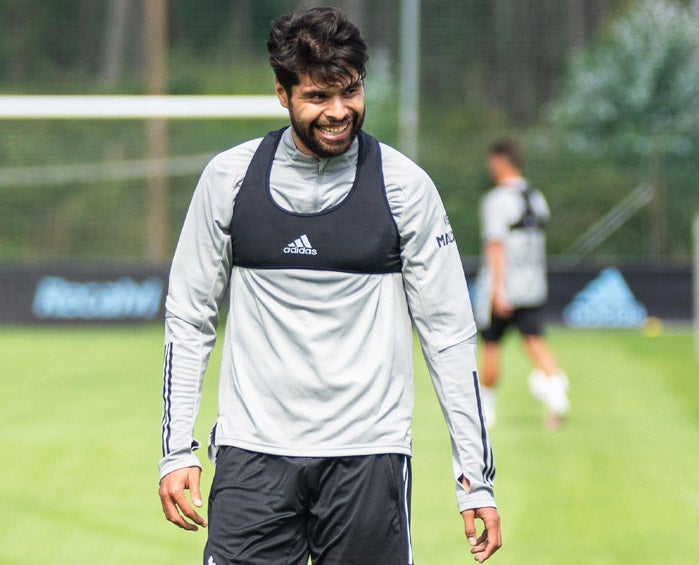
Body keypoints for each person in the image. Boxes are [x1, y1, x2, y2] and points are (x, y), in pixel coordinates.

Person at [157, 7, 501, 564]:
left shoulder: (405, 188)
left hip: (369, 457)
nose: (339, 112)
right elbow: (188, 317)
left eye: (351, 91)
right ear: (281, 92)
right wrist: (176, 451)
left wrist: (475, 478)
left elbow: (449, 334)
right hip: (253, 455)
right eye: (318, 96)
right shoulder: (229, 179)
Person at [474, 139, 570, 430]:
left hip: (503, 287)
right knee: (534, 341)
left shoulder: (496, 200)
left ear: (501, 161)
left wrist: (497, 290)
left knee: (491, 345)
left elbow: (496, 246)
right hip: (532, 285)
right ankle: (556, 394)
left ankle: (486, 410)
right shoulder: (537, 198)